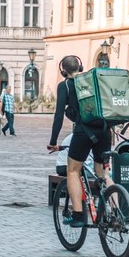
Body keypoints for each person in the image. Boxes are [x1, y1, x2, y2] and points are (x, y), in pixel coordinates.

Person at [48, 55, 113, 229]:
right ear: (81, 66)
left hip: (83, 133)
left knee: (73, 171)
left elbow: (59, 115)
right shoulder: (93, 80)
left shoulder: (66, 86)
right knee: (104, 175)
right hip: (105, 130)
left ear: (63, 71)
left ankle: (78, 215)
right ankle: (116, 211)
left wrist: (53, 141)